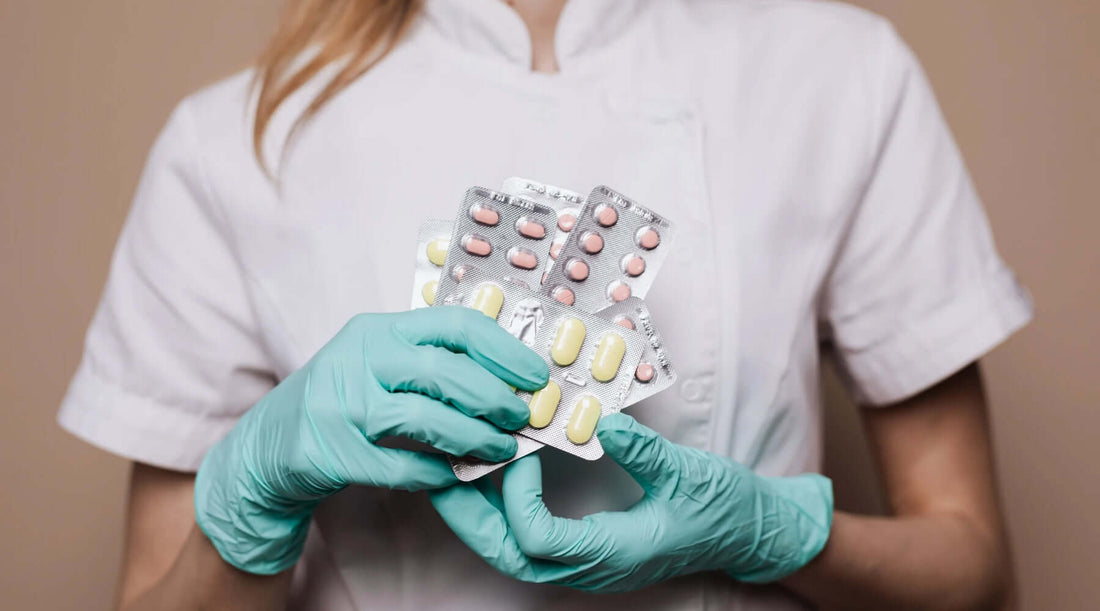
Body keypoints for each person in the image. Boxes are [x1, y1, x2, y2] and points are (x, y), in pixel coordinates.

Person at [59, 0, 1034, 609]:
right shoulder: (232, 140)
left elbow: (973, 570)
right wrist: (252, 495)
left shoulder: (836, 73)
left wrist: (777, 530)